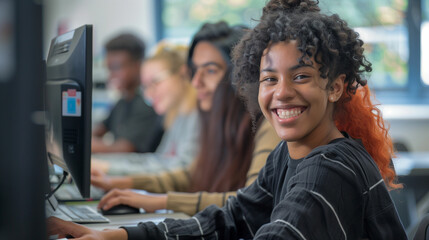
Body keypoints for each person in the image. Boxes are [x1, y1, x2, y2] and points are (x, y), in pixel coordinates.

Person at [48, 0, 408, 238]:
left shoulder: (328, 169)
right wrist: (123, 234)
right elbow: (232, 218)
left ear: (335, 87)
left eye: (301, 76)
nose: (281, 92)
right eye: (269, 79)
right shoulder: (289, 154)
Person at [90, 21, 280, 215]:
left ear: (241, 76)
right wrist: (120, 183)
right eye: (195, 70)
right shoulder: (216, 120)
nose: (196, 82)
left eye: (211, 70)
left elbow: (249, 202)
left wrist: (160, 201)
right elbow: (192, 174)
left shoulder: (267, 125)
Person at [91, 42, 200, 175]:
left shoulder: (197, 117)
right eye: (145, 86)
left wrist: (107, 167)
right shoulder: (175, 116)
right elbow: (160, 161)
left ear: (183, 74)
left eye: (155, 82)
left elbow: (178, 172)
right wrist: (103, 164)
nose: (148, 94)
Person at [92, 33, 164, 153]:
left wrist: (84, 145)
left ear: (138, 66)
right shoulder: (122, 101)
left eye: (116, 67)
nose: (111, 75)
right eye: (109, 68)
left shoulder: (148, 102)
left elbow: (125, 148)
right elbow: (99, 130)